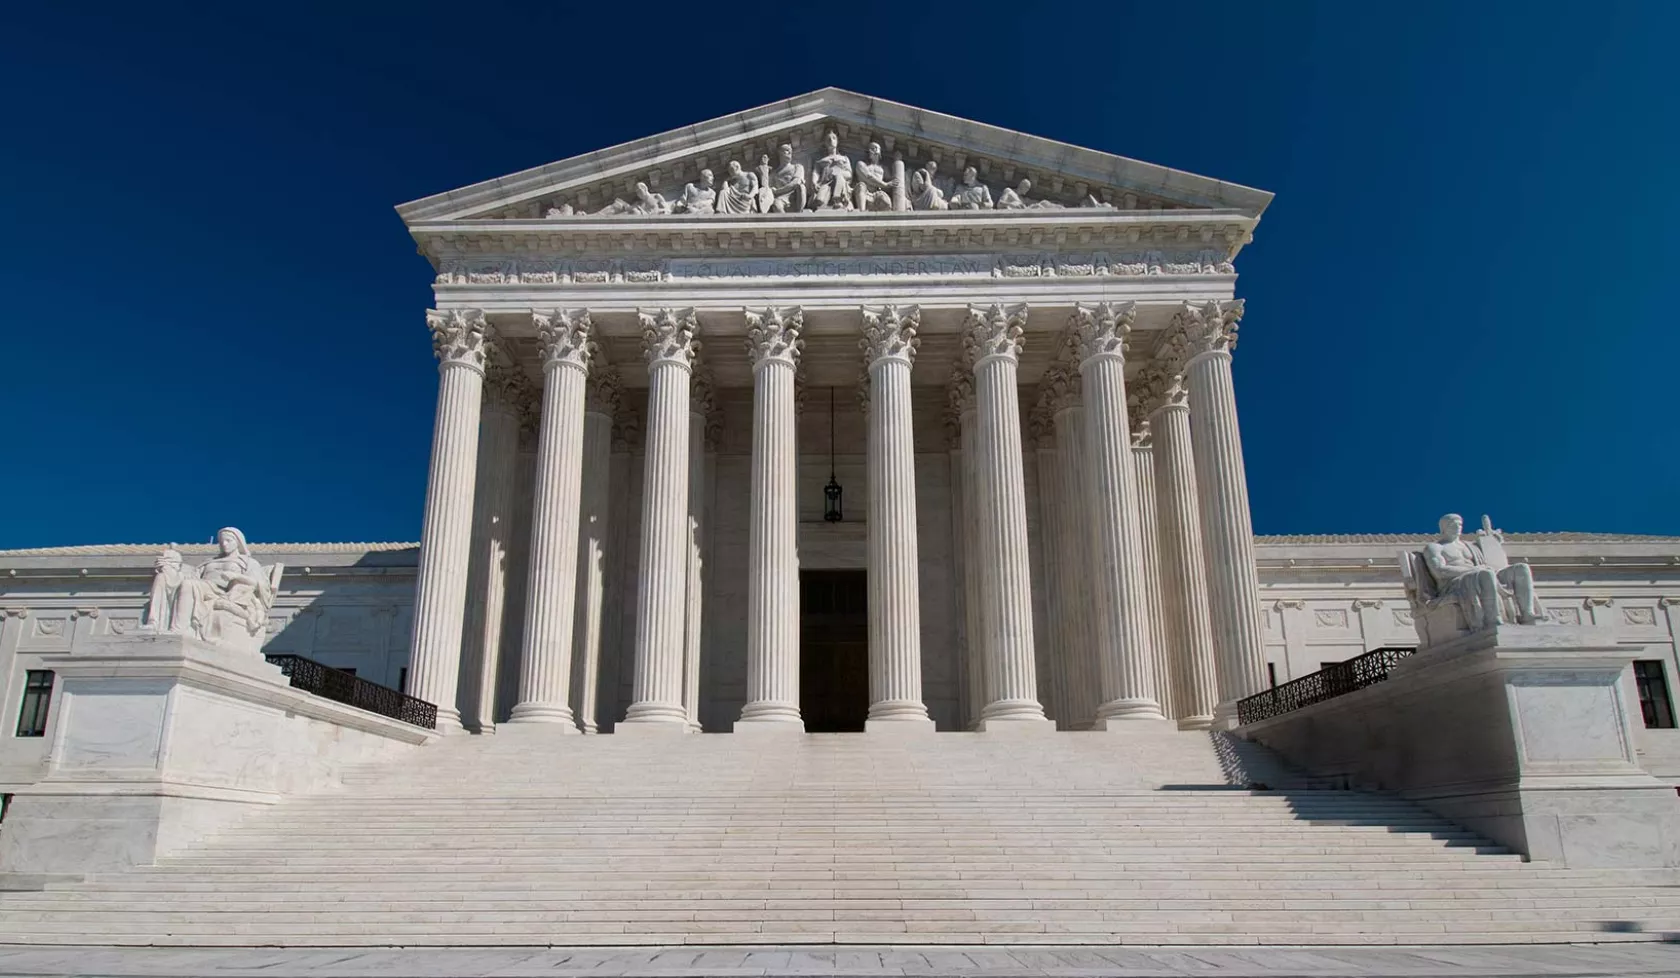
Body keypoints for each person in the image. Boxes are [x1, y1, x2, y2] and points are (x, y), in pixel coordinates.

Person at [1422, 513, 1543, 630]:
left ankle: (1527, 614)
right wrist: (1474, 569)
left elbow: (1490, 561)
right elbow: (1440, 571)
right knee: (1486, 575)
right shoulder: (1435, 547)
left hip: (1481, 574)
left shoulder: (1469, 546)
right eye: (1453, 525)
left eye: (1460, 524)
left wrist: (1492, 543)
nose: (1458, 527)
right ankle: (1493, 619)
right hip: (1455, 582)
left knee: (1521, 569)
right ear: (1444, 528)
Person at [810, 131, 853, 210]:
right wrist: (814, 182)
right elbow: (815, 173)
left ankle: (837, 199)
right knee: (820, 201)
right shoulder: (820, 160)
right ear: (825, 143)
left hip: (841, 180)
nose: (831, 141)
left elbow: (849, 174)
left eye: (834, 138)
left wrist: (836, 170)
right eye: (828, 139)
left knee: (838, 173)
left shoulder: (844, 158)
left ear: (837, 141)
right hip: (825, 182)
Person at [764, 144, 806, 213]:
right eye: (786, 150)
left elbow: (796, 182)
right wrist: (764, 167)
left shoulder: (797, 167)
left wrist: (778, 191)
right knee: (776, 204)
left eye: (790, 151)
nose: (789, 153)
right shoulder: (774, 173)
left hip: (794, 195)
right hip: (781, 198)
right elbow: (767, 188)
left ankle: (798, 215)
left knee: (801, 187)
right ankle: (787, 222)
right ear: (779, 153)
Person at [854, 142, 896, 211]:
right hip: (865, 192)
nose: (872, 151)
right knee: (861, 185)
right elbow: (868, 177)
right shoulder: (861, 164)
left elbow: (891, 183)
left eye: (875, 148)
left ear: (879, 152)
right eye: (871, 149)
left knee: (886, 201)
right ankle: (861, 213)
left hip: (877, 193)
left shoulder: (884, 169)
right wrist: (885, 184)